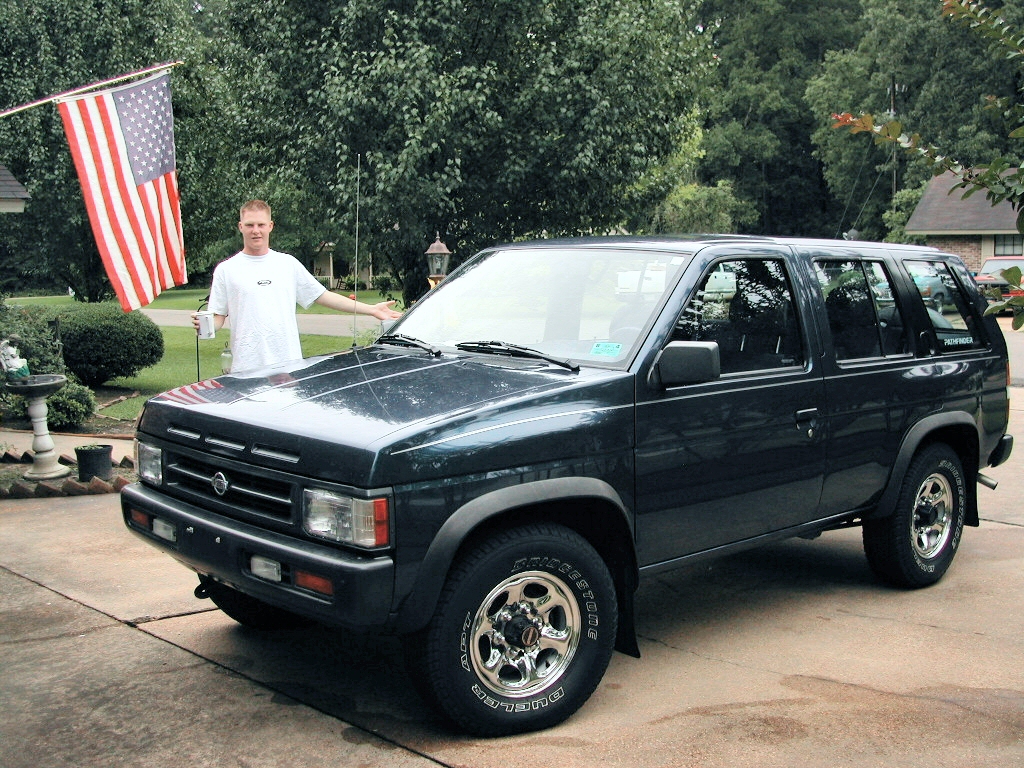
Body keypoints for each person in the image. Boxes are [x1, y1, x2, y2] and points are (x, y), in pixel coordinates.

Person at [192, 200, 401, 372]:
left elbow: (323, 296)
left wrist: (371, 310)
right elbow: (218, 317)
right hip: (246, 369)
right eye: (249, 225)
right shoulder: (226, 270)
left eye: (261, 225)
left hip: (289, 369)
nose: (256, 231)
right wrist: (205, 324)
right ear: (240, 227)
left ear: (270, 226)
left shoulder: (287, 264)